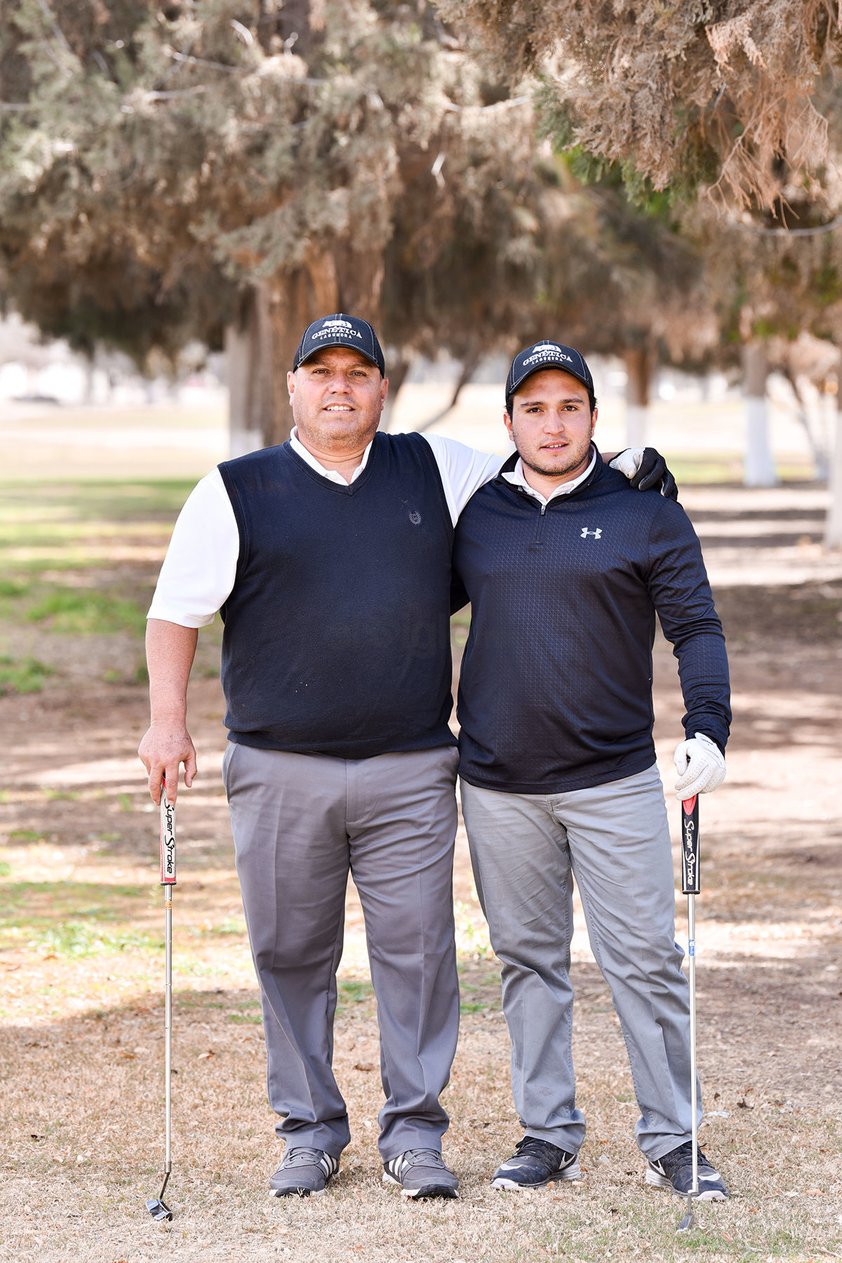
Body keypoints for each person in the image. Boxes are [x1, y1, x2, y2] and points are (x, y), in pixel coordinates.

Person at [138, 314, 673, 1202]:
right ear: (294, 388)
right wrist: (166, 722)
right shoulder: (236, 489)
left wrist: (621, 470)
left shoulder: (436, 467)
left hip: (412, 767)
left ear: (383, 388)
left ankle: (416, 1133)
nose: (340, 386)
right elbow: (173, 612)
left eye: (358, 372)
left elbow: (542, 469)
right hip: (279, 768)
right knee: (288, 950)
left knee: (419, 955)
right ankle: (310, 1132)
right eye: (322, 373)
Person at [452, 339, 731, 1201]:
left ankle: (673, 1138)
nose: (552, 422)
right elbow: (403, 600)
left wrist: (709, 730)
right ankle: (548, 1132)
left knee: (644, 958)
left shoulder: (646, 510)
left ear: (595, 419)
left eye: (569, 405)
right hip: (498, 784)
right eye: (533, 407)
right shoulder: (479, 515)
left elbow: (697, 627)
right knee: (527, 959)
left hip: (613, 780)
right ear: (508, 422)